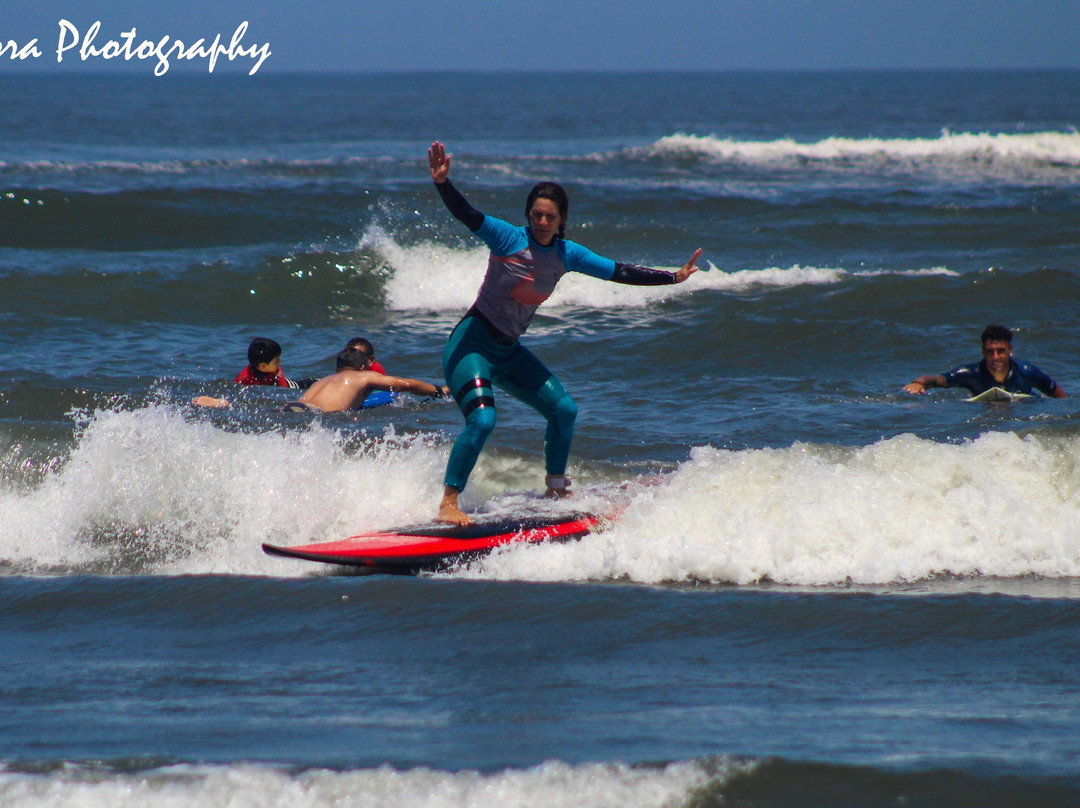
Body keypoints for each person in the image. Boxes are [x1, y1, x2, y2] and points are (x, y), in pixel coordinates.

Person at [427, 140, 703, 525]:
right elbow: (468, 215)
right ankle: (448, 503)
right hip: (471, 345)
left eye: (549, 217)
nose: (542, 222)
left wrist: (672, 277)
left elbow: (618, 270)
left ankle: (555, 487)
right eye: (536, 215)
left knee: (564, 410)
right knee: (484, 421)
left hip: (508, 352)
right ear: (528, 215)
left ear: (561, 220)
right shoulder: (507, 238)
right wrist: (443, 185)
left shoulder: (567, 254)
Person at [903, 324, 1066, 398]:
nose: (995, 357)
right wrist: (918, 383)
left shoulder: (1026, 371)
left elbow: (1056, 392)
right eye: (990, 352)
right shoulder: (970, 373)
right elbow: (936, 379)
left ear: (1010, 350)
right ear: (983, 352)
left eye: (1000, 351)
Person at [282, 347, 449, 413]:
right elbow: (407, 384)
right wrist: (440, 391)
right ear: (362, 368)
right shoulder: (363, 376)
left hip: (290, 407)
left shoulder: (323, 380)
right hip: (312, 413)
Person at [233, 337, 305, 388]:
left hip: (293, 386)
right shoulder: (244, 377)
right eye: (276, 361)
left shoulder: (276, 372)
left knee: (311, 383)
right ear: (263, 366)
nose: (280, 362)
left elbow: (284, 390)